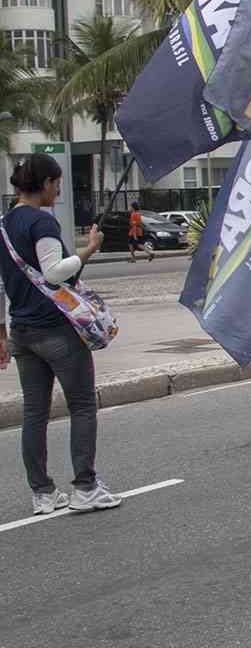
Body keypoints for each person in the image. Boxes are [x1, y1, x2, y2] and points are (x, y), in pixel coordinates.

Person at [0, 154, 121, 514]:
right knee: (82, 405)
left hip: (22, 331)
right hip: (55, 330)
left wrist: (2, 332)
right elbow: (54, 272)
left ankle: (43, 494)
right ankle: (85, 487)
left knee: (34, 413)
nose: (58, 190)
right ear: (46, 183)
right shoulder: (42, 221)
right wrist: (89, 249)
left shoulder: (4, 224)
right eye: (57, 184)